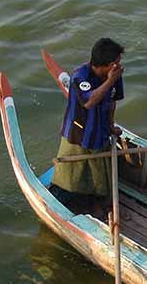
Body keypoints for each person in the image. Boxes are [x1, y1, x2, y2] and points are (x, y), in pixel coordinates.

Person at [49, 37, 125, 220]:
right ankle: (63, 204)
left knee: (99, 175)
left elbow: (112, 101)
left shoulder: (114, 76)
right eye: (116, 63)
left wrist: (111, 126)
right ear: (106, 65)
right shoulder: (80, 76)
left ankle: (97, 205)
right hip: (78, 133)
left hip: (100, 133)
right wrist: (110, 81)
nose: (119, 66)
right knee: (70, 174)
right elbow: (89, 101)